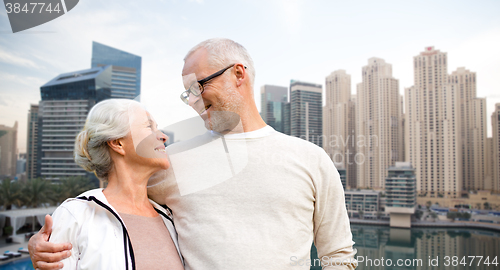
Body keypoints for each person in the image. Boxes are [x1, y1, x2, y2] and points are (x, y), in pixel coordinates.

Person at [30, 38, 357, 269]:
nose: (191, 100)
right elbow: (113, 199)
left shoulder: (312, 160)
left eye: (198, 86)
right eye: (186, 93)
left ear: (238, 74)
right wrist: (47, 244)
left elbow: (339, 256)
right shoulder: (169, 162)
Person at [29, 99, 184, 269]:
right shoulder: (76, 216)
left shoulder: (170, 218)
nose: (163, 136)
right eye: (149, 126)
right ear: (118, 143)